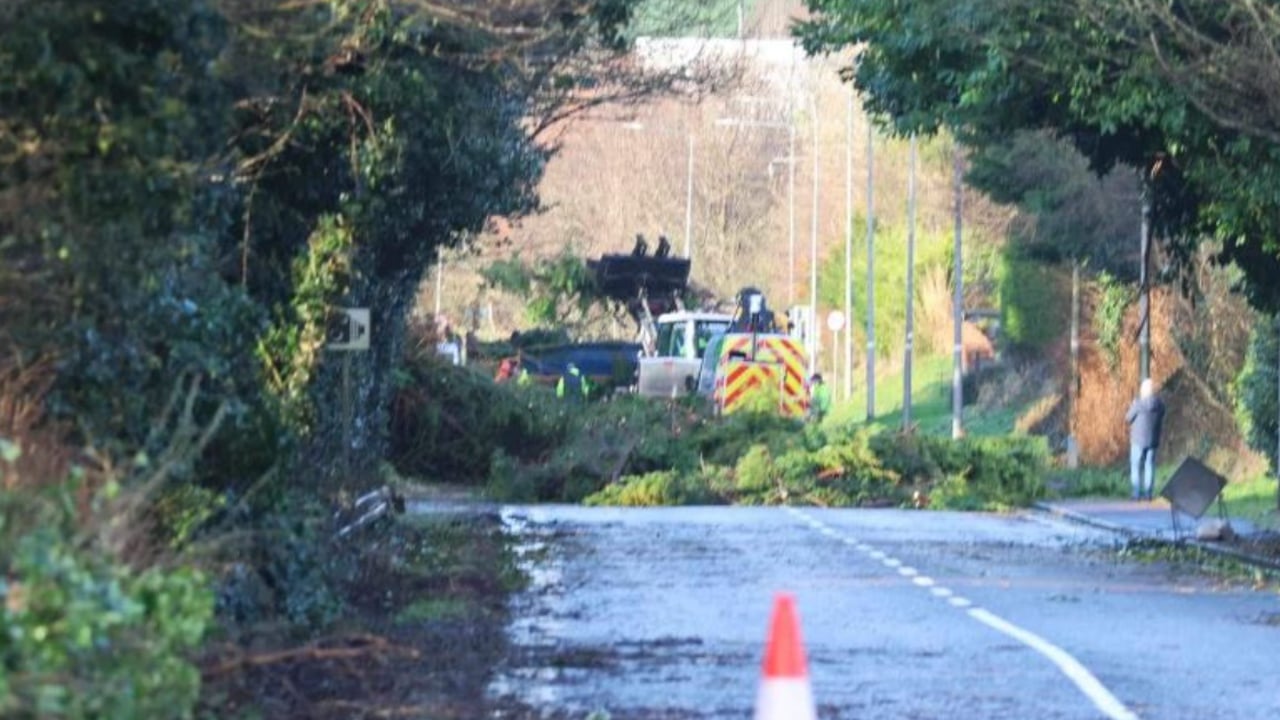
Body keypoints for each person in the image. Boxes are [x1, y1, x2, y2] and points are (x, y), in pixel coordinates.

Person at [1125, 378, 1166, 501]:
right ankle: (1148, 494)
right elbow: (1163, 414)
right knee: (1150, 466)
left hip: (1138, 440)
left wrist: (1132, 405)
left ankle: (1136, 494)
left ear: (1143, 391)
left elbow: (1128, 418)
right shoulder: (1160, 405)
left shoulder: (1138, 404)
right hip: (1153, 440)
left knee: (1136, 466)